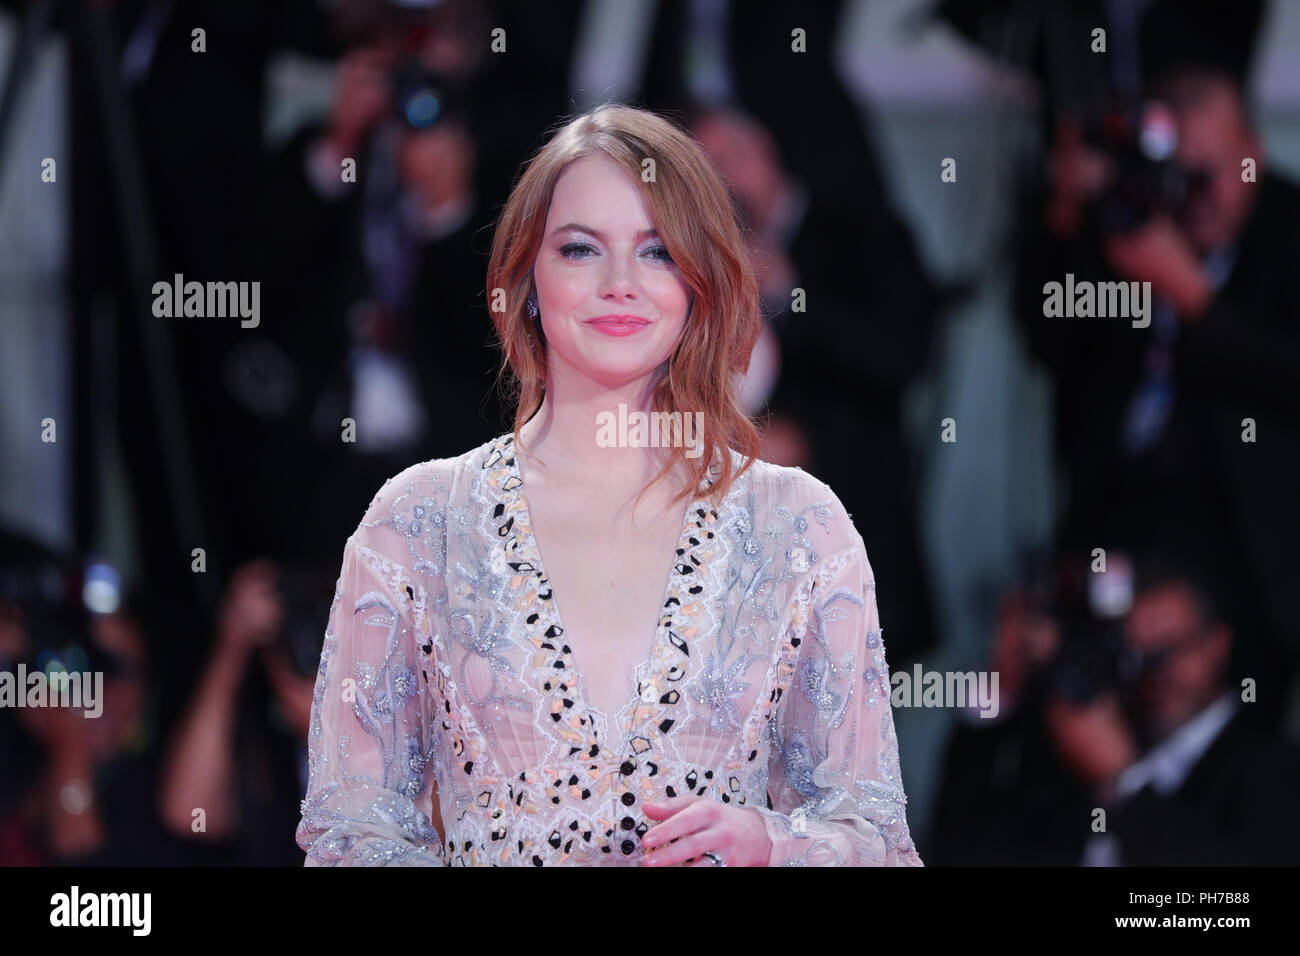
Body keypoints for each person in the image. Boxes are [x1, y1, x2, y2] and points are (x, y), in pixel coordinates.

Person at [295, 103, 923, 867]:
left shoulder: (799, 527)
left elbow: (877, 842)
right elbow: (349, 833)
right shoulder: (417, 523)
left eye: (658, 252)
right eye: (581, 248)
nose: (620, 283)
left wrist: (772, 844)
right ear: (525, 278)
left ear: (703, 281)